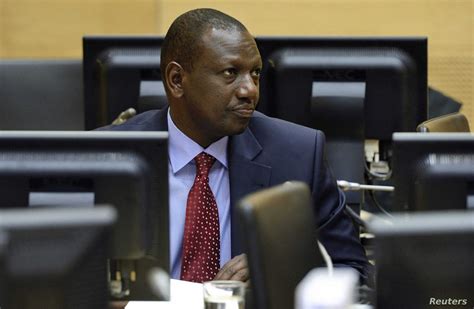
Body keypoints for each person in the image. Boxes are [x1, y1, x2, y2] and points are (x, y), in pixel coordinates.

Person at [101, 8, 371, 285]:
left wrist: (282, 269)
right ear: (177, 80)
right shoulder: (109, 157)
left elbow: (352, 270)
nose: (250, 90)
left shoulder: (298, 154)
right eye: (230, 73)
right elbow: (70, 275)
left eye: (255, 73)